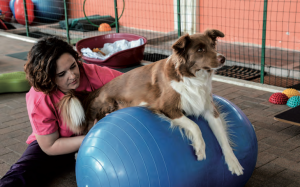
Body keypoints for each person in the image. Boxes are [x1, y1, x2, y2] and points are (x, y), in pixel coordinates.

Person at [0, 36, 123, 187]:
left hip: (98, 136)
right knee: (23, 173)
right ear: (49, 78)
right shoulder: (40, 97)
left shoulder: (91, 72)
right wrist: (93, 136)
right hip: (58, 143)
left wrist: (120, 113)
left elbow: (131, 85)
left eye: (73, 66)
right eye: (61, 74)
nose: (72, 76)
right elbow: (49, 146)